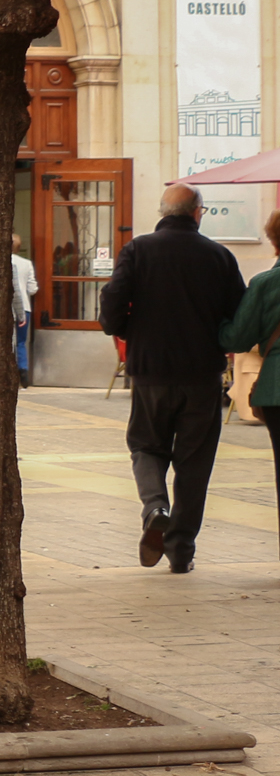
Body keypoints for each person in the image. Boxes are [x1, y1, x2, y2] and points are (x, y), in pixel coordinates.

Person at [100, 183, 244, 573]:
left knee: (146, 445)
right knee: (195, 463)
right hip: (201, 374)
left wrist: (127, 330)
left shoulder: (138, 250)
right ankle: (181, 550)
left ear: (162, 212)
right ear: (198, 212)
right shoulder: (219, 256)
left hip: (151, 370)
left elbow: (113, 301)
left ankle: (155, 506)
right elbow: (238, 315)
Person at [222, 210, 280, 534]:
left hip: (276, 389)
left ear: (274, 242)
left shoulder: (264, 284)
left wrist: (215, 325)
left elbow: (238, 338)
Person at [11, 235, 38, 387]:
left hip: (6, 308)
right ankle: (23, 372)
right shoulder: (26, 263)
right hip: (25, 307)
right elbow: (32, 288)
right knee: (21, 342)